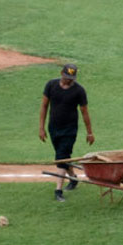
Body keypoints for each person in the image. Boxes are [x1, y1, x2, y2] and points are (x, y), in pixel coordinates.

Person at [39, 64, 95, 202]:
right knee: (63, 156)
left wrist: (89, 132)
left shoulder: (79, 91)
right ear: (61, 73)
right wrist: (41, 127)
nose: (69, 80)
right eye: (66, 77)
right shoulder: (51, 85)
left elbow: (84, 112)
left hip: (70, 129)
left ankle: (58, 190)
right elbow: (44, 106)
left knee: (61, 157)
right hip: (53, 128)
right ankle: (73, 178)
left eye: (71, 78)